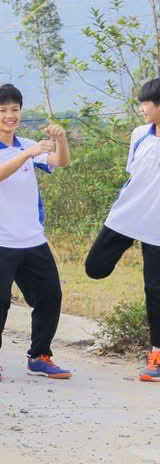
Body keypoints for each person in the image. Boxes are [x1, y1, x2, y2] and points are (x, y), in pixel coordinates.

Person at [0, 84, 71, 381]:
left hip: (33, 238)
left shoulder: (27, 144)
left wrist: (61, 140)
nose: (10, 115)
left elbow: (60, 161)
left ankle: (39, 356)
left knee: (50, 296)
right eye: (3, 110)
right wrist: (28, 153)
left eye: (15, 109)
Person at [88, 79, 160, 381]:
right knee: (95, 268)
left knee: (154, 290)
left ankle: (157, 355)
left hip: (157, 227)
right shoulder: (140, 134)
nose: (142, 108)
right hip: (127, 217)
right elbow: (134, 174)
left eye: (146, 103)